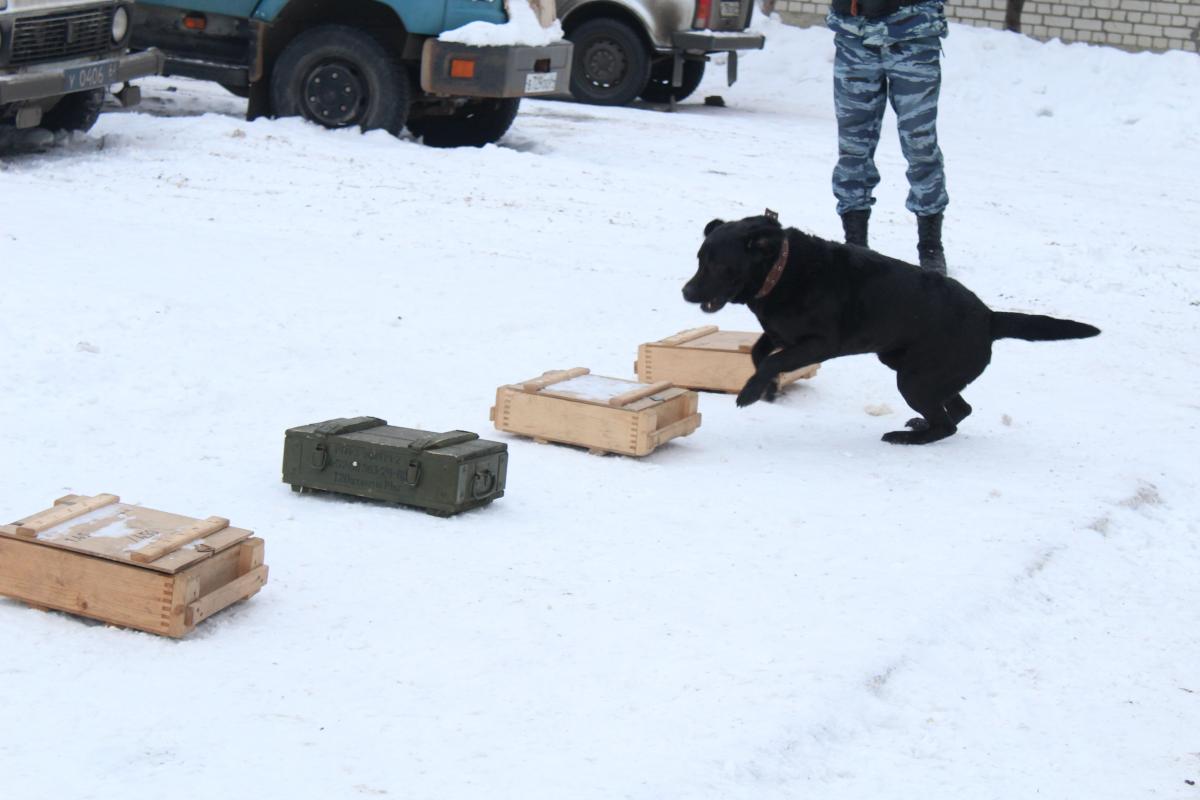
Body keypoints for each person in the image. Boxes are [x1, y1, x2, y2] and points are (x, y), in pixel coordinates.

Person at [827, 0, 949, 273]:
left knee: (919, 144)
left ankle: (930, 245)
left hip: (913, 31)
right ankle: (855, 246)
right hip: (853, 34)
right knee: (853, 146)